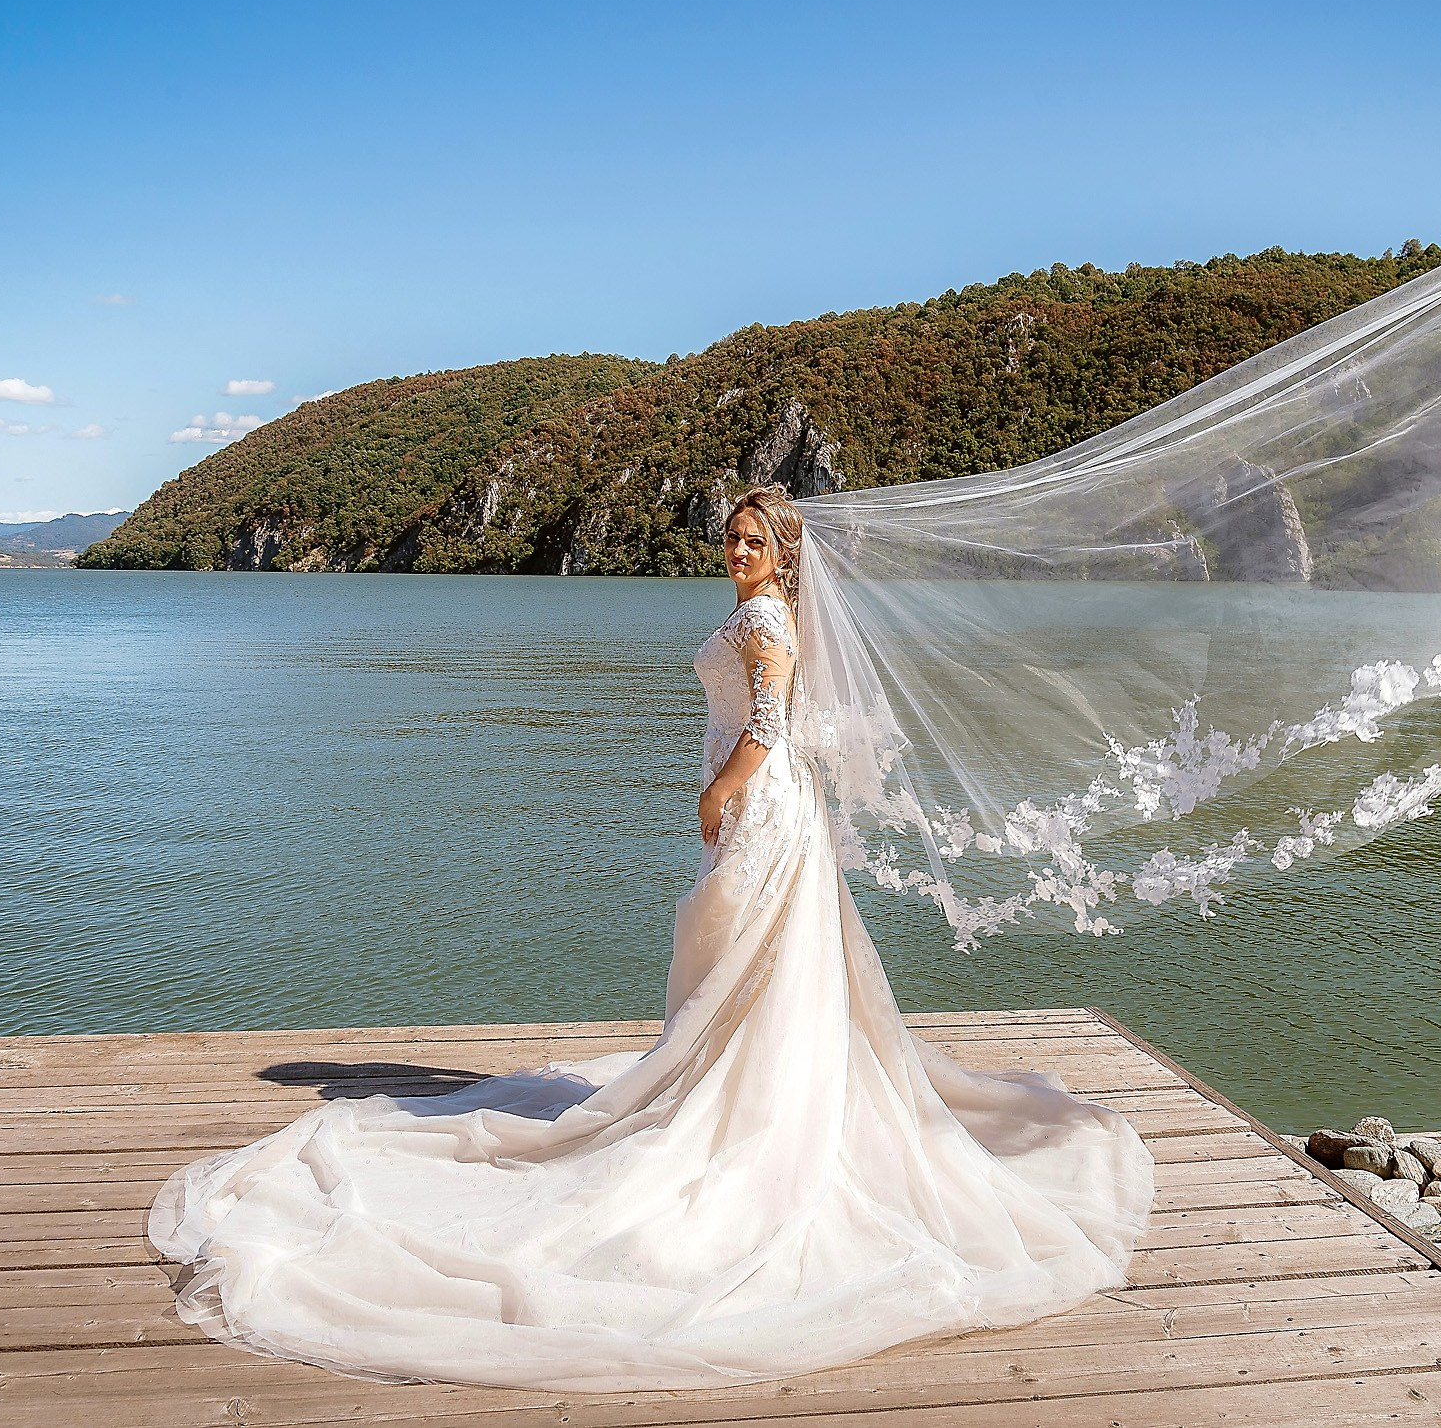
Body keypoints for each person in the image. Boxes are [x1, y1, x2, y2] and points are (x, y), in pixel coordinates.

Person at [148, 484, 1156, 1390]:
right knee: (751, 975)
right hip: (775, 812)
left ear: (782, 553)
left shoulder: (764, 615)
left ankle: (748, 1123)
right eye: (729, 536)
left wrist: (715, 790)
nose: (737, 549)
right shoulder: (764, 609)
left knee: (749, 970)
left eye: (754, 537)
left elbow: (765, 722)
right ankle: (747, 1099)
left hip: (761, 808)